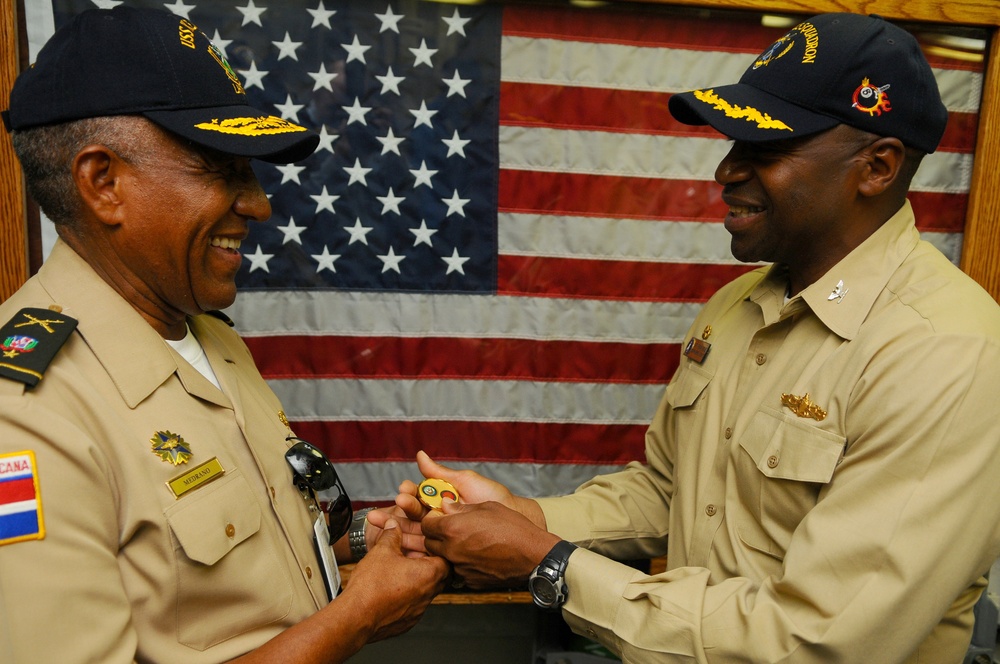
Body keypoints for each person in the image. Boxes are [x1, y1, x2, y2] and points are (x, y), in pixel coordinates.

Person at [381, 12, 1000, 663]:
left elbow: (816, 644)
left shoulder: (947, 353)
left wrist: (550, 564)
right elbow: (672, 495)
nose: (726, 170)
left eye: (766, 148)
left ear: (876, 167)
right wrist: (527, 518)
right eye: (733, 145)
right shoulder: (735, 308)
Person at [0, 7, 447, 663]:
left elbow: (250, 548)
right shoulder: (27, 416)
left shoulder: (209, 336)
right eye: (222, 168)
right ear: (104, 184)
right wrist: (356, 617)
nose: (260, 203)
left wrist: (361, 537)